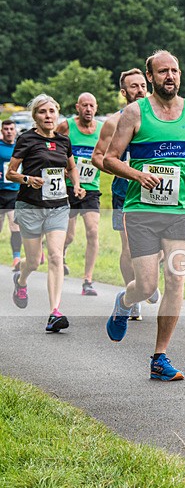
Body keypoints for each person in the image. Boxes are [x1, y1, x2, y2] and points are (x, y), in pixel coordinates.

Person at [103, 50, 185, 381]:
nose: (170, 76)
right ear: (150, 77)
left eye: (174, 70)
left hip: (181, 209)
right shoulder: (135, 112)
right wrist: (138, 175)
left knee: (176, 279)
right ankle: (125, 302)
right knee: (147, 285)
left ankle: (160, 357)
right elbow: (110, 158)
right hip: (142, 210)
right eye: (163, 71)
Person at [6, 94, 86, 331]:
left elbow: (72, 167)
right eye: (42, 112)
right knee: (33, 261)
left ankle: (54, 312)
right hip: (30, 207)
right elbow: (11, 173)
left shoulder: (63, 141)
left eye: (52, 111)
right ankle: (21, 280)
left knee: (55, 256)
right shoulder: (26, 139)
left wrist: (77, 185)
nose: (48, 116)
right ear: (35, 116)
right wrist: (27, 179)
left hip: (58, 206)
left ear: (57, 114)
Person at [92, 68, 159, 321]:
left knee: (163, 245)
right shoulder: (114, 122)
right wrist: (123, 170)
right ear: (124, 92)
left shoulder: (159, 118)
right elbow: (98, 157)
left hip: (157, 192)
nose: (140, 90)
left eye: (142, 85)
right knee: (129, 248)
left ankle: (147, 280)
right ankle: (135, 296)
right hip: (125, 193)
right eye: (134, 86)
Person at [56, 93, 103, 295]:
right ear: (78, 107)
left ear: (96, 107)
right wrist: (63, 169)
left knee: (93, 231)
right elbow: (53, 149)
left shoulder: (102, 129)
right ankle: (61, 253)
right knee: (68, 236)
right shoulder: (66, 127)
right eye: (84, 105)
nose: (88, 109)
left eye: (91, 105)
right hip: (68, 187)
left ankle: (87, 281)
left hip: (91, 188)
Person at [0, 120, 22, 269]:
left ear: (15, 131)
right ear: (2, 131)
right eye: (6, 129)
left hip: (15, 192)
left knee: (15, 226)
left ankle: (16, 258)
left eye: (11, 129)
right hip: (0, 191)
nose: (9, 131)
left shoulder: (20, 148)